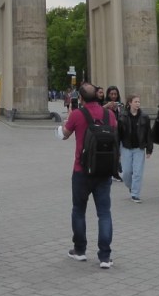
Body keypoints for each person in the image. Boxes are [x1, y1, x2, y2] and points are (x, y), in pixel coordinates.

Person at [59, 82, 117, 268]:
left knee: (78, 210)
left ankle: (80, 250)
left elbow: (64, 135)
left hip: (81, 170)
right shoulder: (109, 115)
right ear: (99, 96)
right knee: (104, 213)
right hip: (105, 170)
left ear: (81, 98)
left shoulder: (77, 114)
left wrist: (65, 124)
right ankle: (105, 257)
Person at [116, 94, 153, 202]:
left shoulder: (144, 117)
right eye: (135, 102)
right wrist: (117, 149)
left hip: (139, 148)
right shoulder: (122, 116)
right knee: (127, 172)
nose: (138, 104)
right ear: (130, 103)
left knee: (137, 172)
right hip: (126, 147)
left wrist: (149, 149)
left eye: (139, 102)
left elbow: (148, 134)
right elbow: (118, 134)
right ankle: (131, 186)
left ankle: (135, 194)